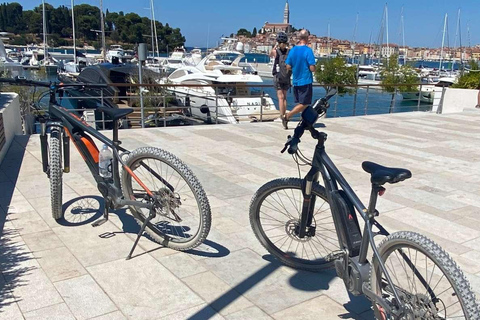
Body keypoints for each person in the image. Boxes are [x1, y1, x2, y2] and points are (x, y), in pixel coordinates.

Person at [284, 29, 316, 127]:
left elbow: (288, 66)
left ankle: (304, 122)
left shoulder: (293, 50)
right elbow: (312, 68)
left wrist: (296, 66)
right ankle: (287, 116)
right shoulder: (308, 50)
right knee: (305, 103)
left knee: (301, 103)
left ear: (299, 37)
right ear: (307, 38)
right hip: (305, 80)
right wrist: (314, 68)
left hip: (296, 81)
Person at [270, 32, 291, 129]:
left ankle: (281, 116)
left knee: (280, 97)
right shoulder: (289, 52)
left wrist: (274, 47)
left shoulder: (275, 51)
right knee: (285, 97)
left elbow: (270, 54)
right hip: (286, 76)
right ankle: (284, 116)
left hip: (278, 76)